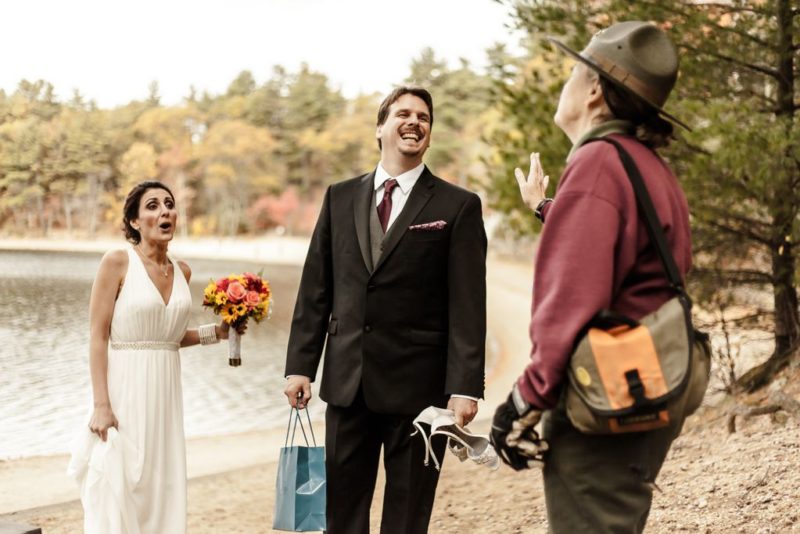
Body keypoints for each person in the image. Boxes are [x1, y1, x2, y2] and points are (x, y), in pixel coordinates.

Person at [490, 21, 694, 532]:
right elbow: (620, 249)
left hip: (607, 394)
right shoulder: (644, 163)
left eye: (572, 73)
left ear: (596, 89)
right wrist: (546, 207)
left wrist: (523, 400)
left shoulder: (598, 162)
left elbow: (571, 300)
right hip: (648, 388)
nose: (565, 84)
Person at [284, 86, 487, 534]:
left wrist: (465, 386)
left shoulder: (458, 206)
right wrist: (301, 365)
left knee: (408, 515)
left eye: (424, 117)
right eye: (403, 114)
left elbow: (469, 305)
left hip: (420, 389)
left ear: (429, 134)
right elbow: (316, 286)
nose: (414, 122)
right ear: (381, 127)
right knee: (340, 513)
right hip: (346, 383)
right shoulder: (339, 197)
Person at [67, 181, 237, 534]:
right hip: (124, 390)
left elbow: (168, 338)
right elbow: (98, 337)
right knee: (122, 482)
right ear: (134, 221)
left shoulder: (182, 271)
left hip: (165, 396)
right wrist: (101, 405)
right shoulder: (117, 262)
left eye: (170, 205)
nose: (165, 212)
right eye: (153, 206)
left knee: (163, 484)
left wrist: (218, 333)